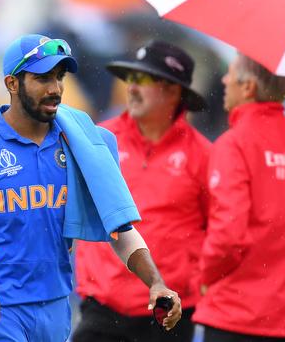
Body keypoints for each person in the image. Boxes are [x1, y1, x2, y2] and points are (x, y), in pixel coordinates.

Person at [0, 34, 182, 342]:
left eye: (59, 78)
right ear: (12, 83)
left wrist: (155, 281)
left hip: (56, 308)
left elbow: (117, 226)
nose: (55, 89)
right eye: (42, 78)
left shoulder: (78, 143)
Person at [192, 53, 285, 341]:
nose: (223, 79)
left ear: (249, 88)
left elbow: (228, 235)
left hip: (235, 317)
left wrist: (203, 276)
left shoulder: (233, 144)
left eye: (230, 73)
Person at [73, 40, 210, 342]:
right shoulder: (99, 139)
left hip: (168, 316)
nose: (131, 88)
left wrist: (194, 282)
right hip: (102, 310)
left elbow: (220, 231)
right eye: (130, 79)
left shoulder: (204, 156)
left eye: (143, 80)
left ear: (174, 91)